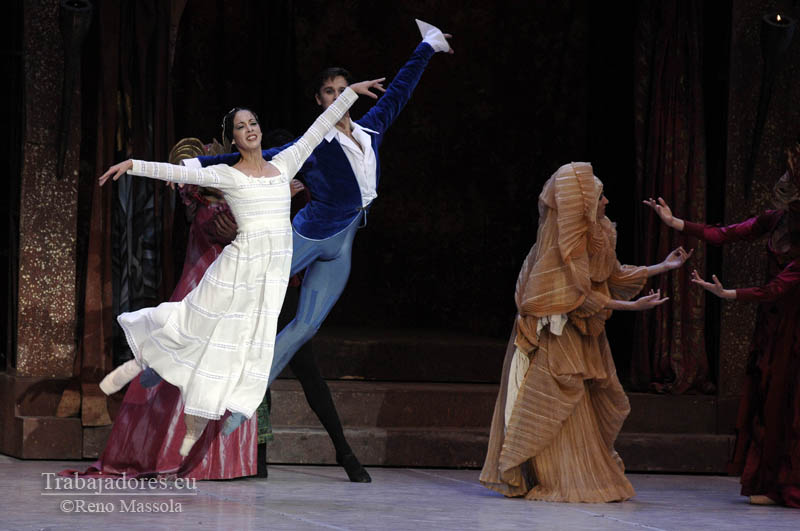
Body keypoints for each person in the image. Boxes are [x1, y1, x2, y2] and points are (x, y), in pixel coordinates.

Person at [186, 20, 453, 445]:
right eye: (328, 92)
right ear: (319, 100)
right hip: (307, 237)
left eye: (342, 90)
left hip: (341, 246)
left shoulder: (371, 128)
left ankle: (243, 401)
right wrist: (191, 167)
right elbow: (260, 156)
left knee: (304, 327)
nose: (337, 97)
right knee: (245, 296)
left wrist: (428, 46)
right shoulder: (313, 143)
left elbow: (401, 88)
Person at [96, 78, 385, 458]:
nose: (249, 130)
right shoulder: (229, 175)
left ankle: (213, 418)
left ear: (260, 130)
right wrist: (133, 164)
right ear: (233, 139)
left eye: (253, 123)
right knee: (190, 324)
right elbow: (183, 173)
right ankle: (141, 365)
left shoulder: (285, 164)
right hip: (233, 271)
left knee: (243, 350)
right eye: (241, 127)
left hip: (267, 281)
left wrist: (351, 92)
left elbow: (319, 129)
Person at [480, 162, 692, 502]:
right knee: (554, 409)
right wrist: (630, 308)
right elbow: (575, 299)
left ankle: (583, 469)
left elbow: (613, 275)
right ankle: (556, 473)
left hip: (585, 339)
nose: (606, 202)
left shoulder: (599, 233)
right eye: (600, 196)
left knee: (587, 407)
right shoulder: (554, 252)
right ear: (582, 204)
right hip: (556, 343)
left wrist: (661, 267)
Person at [644, 144, 800, 508]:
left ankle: (790, 482)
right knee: (768, 395)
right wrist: (675, 223)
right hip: (773, 323)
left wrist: (727, 293)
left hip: (795, 326)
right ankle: (768, 479)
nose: (780, 181)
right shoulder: (774, 220)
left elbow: (777, 287)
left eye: (789, 176)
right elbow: (726, 233)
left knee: (792, 399)